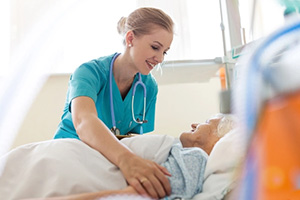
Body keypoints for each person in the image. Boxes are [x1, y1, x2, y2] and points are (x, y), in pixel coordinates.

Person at [52, 7, 174, 199]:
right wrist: (127, 160)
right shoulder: (89, 72)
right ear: (130, 39)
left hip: (109, 161)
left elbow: (138, 139)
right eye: (155, 47)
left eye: (165, 52)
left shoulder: (148, 87)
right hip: (71, 154)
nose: (159, 59)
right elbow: (84, 121)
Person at [17, 113, 236, 200]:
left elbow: (124, 196)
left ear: (220, 140)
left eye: (207, 122)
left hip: (49, 168)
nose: (195, 124)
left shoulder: (195, 160)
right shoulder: (184, 152)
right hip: (54, 161)